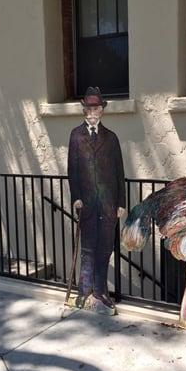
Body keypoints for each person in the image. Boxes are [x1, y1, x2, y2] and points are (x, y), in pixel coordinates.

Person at [67, 86, 126, 313]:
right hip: (88, 203)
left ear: (102, 111)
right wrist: (76, 198)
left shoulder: (111, 138)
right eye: (89, 107)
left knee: (105, 249)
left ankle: (100, 291)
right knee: (88, 249)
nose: (93, 111)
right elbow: (72, 170)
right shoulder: (76, 136)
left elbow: (119, 172)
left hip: (109, 203)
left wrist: (120, 202)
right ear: (84, 110)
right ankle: (84, 291)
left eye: (97, 107)